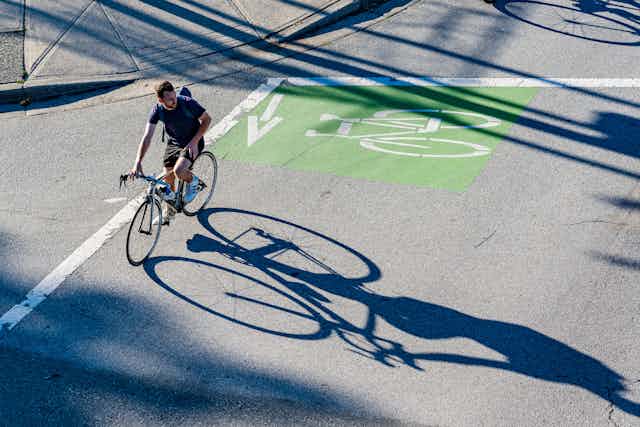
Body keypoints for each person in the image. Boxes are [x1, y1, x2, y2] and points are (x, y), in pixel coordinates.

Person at [131, 81, 212, 225]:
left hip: (193, 141)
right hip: (174, 143)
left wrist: (194, 142)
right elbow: (147, 137)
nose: (174, 100)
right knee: (168, 179)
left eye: (174, 95)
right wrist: (138, 161)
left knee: (179, 171)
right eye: (169, 99)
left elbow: (207, 119)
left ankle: (195, 183)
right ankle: (170, 211)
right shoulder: (158, 111)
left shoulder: (187, 102)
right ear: (160, 100)